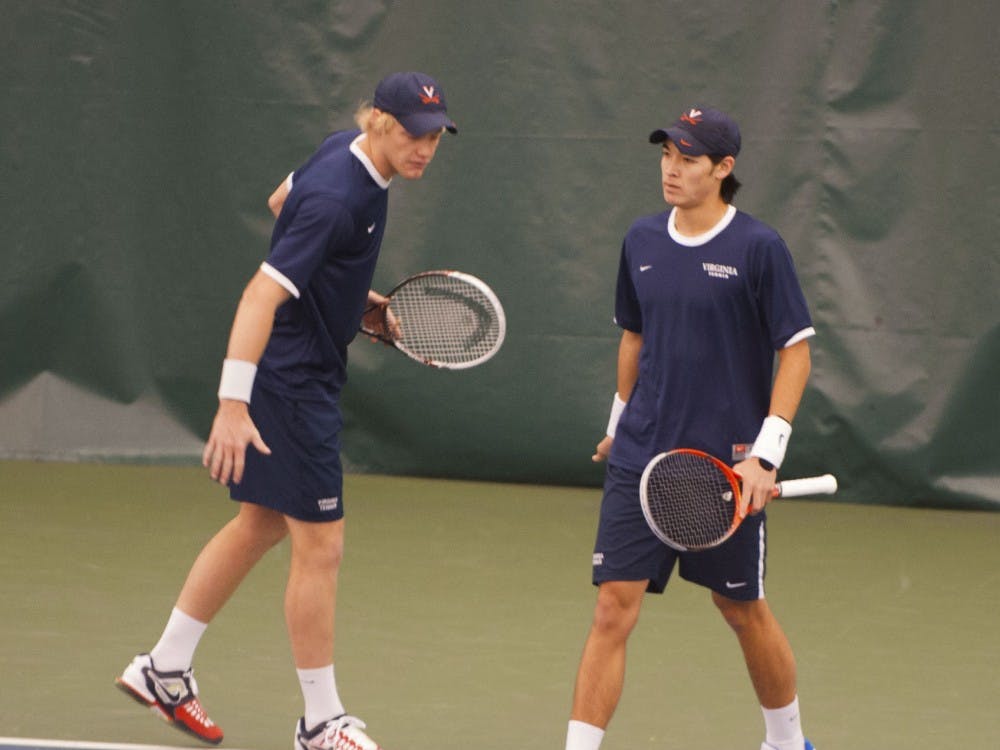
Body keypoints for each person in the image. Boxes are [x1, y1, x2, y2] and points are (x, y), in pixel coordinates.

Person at [115, 71, 457, 750]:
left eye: (435, 136)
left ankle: (164, 667)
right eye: (413, 134)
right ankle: (320, 722)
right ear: (379, 122)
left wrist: (349, 298)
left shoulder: (342, 152)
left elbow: (280, 202)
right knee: (321, 546)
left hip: (297, 369)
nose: (424, 148)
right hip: (294, 382)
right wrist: (231, 404)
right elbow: (259, 296)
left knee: (260, 523)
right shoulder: (338, 197)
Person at [565, 106, 816, 750]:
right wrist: (619, 423)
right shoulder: (642, 240)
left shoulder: (759, 248)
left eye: (688, 159)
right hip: (641, 455)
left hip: (724, 467)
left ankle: (787, 743)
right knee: (611, 606)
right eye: (666, 156)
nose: (671, 170)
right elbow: (634, 337)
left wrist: (765, 455)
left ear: (723, 168)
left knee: (740, 609)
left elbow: (795, 352)